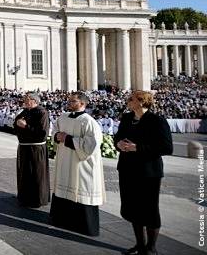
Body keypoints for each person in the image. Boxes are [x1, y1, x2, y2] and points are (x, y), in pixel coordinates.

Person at [114, 90, 173, 255]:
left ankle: (151, 248)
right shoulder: (127, 118)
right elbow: (117, 137)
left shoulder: (157, 121)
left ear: (141, 101)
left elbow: (166, 147)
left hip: (148, 172)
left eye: (131, 99)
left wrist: (137, 148)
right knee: (133, 208)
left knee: (149, 209)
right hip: (127, 169)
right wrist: (118, 144)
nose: (128, 101)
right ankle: (140, 245)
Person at [49, 92, 105, 236]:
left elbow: (92, 144)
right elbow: (54, 131)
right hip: (64, 160)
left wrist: (67, 139)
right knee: (63, 187)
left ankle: (84, 226)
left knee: (81, 189)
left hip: (81, 164)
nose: (69, 103)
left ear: (82, 103)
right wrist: (56, 136)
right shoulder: (63, 117)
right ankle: (61, 220)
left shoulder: (89, 121)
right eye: (69, 100)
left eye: (73, 101)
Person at [13, 93, 50, 207]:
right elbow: (16, 124)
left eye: (27, 99)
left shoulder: (42, 112)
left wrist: (25, 126)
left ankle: (37, 199)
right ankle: (24, 197)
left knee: (36, 174)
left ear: (35, 101)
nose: (25, 101)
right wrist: (17, 124)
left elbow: (42, 133)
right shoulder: (24, 111)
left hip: (35, 148)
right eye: (25, 99)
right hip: (24, 146)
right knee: (24, 173)